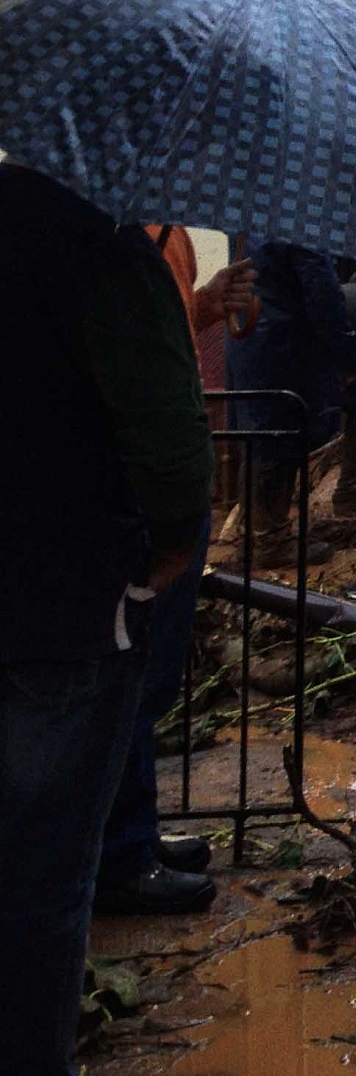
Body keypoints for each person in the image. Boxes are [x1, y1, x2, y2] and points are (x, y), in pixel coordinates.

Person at [0, 166, 213, 1072]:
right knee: (41, 877)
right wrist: (167, 553)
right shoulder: (103, 254)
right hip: (63, 602)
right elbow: (170, 443)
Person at [94, 230, 251, 920]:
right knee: (128, 677)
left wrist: (205, 305)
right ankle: (122, 858)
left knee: (148, 684)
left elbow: (166, 328)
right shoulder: (110, 241)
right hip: (133, 500)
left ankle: (137, 836)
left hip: (161, 497)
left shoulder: (166, 237)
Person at [225, 239, 356, 560]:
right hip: (282, 342)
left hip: (248, 335)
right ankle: (269, 540)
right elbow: (322, 293)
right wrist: (348, 359)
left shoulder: (246, 219)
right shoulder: (302, 225)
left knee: (258, 432)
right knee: (277, 434)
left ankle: (256, 533)